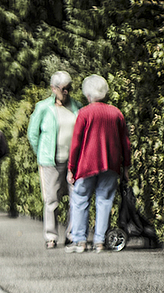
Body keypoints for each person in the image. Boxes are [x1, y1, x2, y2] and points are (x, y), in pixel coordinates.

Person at [66, 74, 131, 253]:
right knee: (105, 201)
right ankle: (100, 242)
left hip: (86, 165)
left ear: (88, 94)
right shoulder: (116, 113)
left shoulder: (84, 113)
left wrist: (71, 168)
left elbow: (76, 143)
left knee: (80, 200)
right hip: (110, 164)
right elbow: (126, 142)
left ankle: (80, 241)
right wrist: (126, 166)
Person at [27, 71, 82, 249]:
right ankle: (51, 236)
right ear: (53, 88)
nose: (66, 92)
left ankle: (72, 234)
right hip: (50, 160)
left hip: (73, 161)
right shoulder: (43, 107)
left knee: (75, 199)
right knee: (52, 199)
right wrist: (41, 154)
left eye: (69, 88)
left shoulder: (77, 107)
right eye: (63, 89)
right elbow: (33, 134)